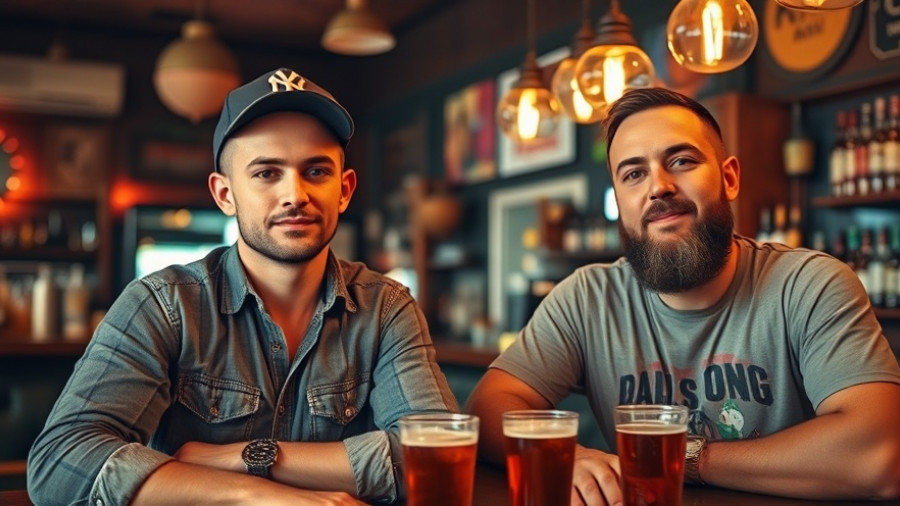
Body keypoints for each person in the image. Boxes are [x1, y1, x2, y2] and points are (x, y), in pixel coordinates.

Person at [27, 68, 458, 506]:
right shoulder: (162, 304)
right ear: (224, 194)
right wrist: (252, 494)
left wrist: (246, 458)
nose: (295, 194)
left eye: (315, 171)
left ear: (344, 190)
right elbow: (60, 464)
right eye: (267, 173)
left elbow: (439, 453)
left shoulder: (386, 307)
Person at [466, 87, 900, 504]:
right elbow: (487, 409)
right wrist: (561, 454)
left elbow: (879, 456)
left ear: (729, 178)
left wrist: (682, 459)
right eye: (634, 174)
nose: (659, 186)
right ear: (619, 200)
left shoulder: (810, 284)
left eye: (681, 160)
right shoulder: (586, 298)